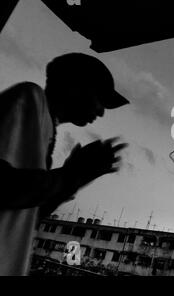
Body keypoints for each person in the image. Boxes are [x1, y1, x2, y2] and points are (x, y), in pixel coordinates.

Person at [0, 53, 129, 275]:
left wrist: (73, 181)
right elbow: (3, 187)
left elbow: (29, 213)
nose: (100, 111)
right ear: (76, 86)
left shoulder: (46, 125)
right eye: (100, 98)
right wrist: (72, 175)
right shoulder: (29, 98)